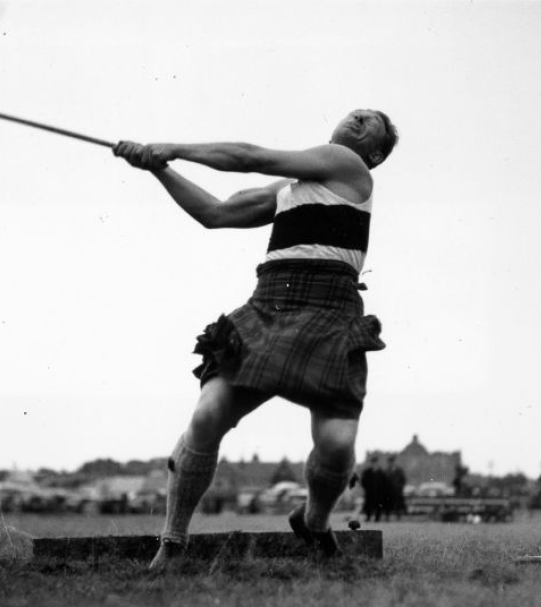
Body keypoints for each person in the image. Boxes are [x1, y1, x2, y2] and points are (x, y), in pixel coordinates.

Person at [113, 109, 398, 567]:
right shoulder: (288, 192)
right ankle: (172, 542)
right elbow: (215, 213)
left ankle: (315, 522)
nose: (358, 118)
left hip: (329, 309)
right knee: (208, 415)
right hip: (270, 304)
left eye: (370, 124)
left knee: (338, 442)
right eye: (355, 114)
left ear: (375, 152)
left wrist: (174, 148)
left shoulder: (348, 165)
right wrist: (159, 170)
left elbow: (249, 157)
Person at [360, 456, 387, 522]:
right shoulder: (367, 472)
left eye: (375, 463)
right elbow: (363, 482)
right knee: (369, 505)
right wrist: (367, 488)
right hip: (369, 493)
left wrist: (383, 490)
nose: (374, 464)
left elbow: (385, 482)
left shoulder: (381, 472)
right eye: (373, 463)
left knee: (378, 506)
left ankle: (377, 518)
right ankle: (368, 517)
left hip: (379, 493)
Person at [384, 455, 406, 520]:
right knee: (388, 505)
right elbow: (384, 481)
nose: (391, 463)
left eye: (392, 462)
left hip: (397, 491)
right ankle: (387, 517)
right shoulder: (386, 471)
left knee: (398, 505)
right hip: (389, 492)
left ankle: (398, 517)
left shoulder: (399, 471)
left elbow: (403, 480)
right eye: (390, 462)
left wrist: (400, 487)